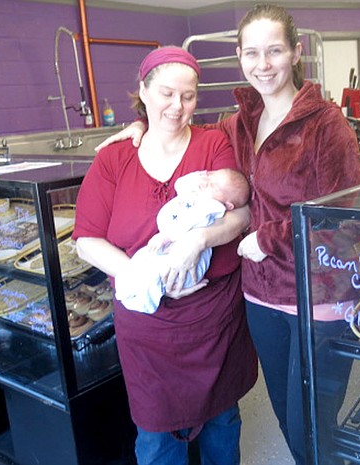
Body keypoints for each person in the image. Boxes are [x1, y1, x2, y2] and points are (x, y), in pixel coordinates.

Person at [96, 5, 360, 464]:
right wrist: (144, 124)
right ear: (240, 56)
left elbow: (346, 219)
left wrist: (267, 239)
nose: (264, 64)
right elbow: (185, 132)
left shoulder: (326, 124)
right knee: (287, 420)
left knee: (313, 430)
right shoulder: (237, 124)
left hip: (318, 298)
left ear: (296, 52)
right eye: (252, 52)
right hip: (260, 300)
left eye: (275, 51)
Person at [73, 46, 258, 465]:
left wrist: (197, 242)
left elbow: (242, 211)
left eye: (189, 96)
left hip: (213, 321)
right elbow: (86, 239)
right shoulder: (114, 159)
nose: (178, 106)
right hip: (148, 330)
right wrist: (145, 276)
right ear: (143, 91)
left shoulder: (213, 145)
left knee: (221, 423)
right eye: (166, 93)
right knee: (156, 439)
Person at [115, 168, 250, 314]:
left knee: (158, 272)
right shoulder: (198, 194)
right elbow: (180, 185)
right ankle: (125, 289)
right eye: (211, 175)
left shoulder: (212, 207)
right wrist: (200, 176)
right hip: (172, 248)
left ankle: (144, 303)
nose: (205, 183)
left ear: (228, 205)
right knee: (141, 259)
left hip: (190, 264)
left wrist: (167, 236)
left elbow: (189, 222)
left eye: (213, 185)